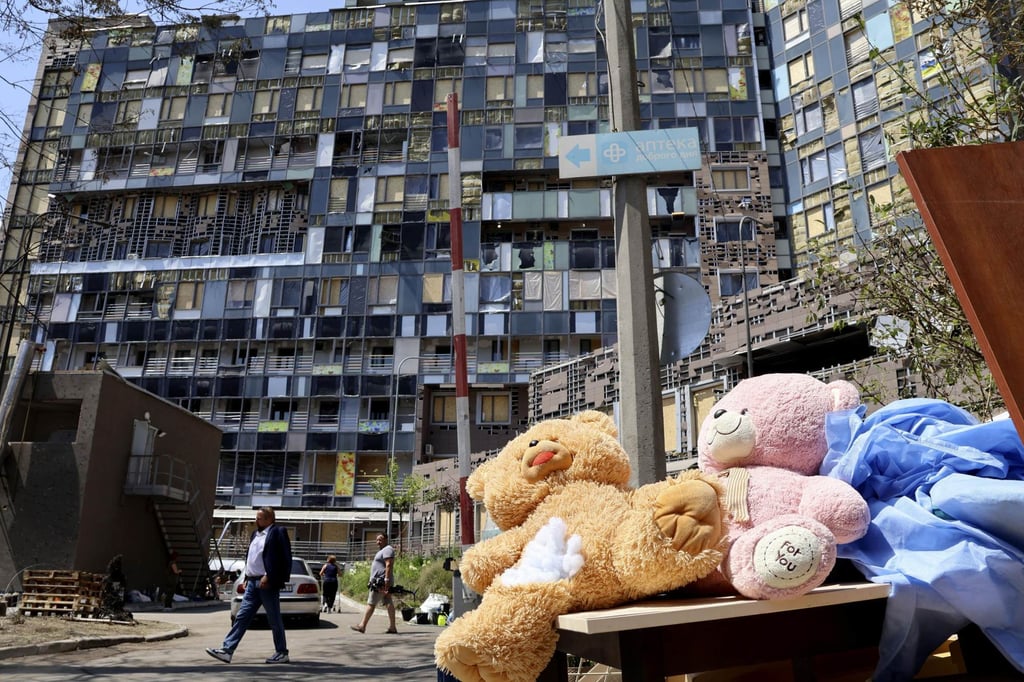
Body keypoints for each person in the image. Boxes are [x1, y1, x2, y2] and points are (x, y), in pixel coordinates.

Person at [205, 506, 292, 664]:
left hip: (267, 583)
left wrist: (270, 576)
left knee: (274, 619)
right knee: (242, 617)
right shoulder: (255, 534)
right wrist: (246, 577)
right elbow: (252, 557)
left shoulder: (278, 532)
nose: (255, 520)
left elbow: (284, 558)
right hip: (252, 583)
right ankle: (227, 650)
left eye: (259, 518)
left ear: (269, 519)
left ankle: (282, 652)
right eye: (256, 517)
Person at [350, 533, 397, 634]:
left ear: (386, 539)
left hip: (381, 582)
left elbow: (388, 565)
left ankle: (362, 626)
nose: (377, 542)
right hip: (380, 581)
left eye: (380, 540)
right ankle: (392, 627)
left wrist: (386, 581)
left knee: (371, 603)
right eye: (376, 540)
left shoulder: (388, 549)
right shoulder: (383, 550)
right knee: (388, 601)